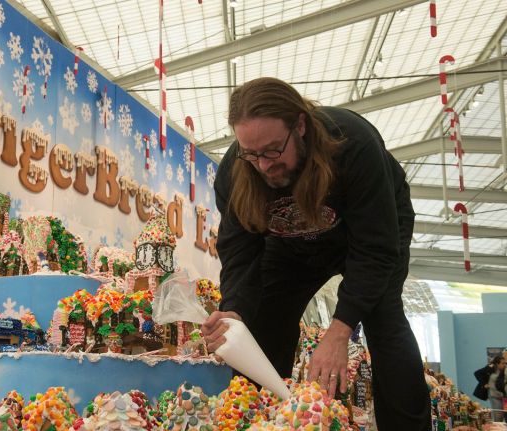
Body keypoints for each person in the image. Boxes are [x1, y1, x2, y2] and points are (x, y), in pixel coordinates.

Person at [200, 77, 431, 429]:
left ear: (301, 125)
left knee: (384, 320)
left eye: (274, 149)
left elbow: (375, 249)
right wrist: (235, 310)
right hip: (292, 241)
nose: (263, 165)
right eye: (252, 153)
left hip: (370, 230)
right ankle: (262, 420)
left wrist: (341, 329)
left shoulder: (353, 144)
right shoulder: (236, 171)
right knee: (263, 320)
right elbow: (240, 250)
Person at [474, 356, 506, 421]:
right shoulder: (490, 368)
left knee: (504, 415)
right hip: (494, 396)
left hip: (503, 395)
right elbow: (477, 373)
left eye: (505, 363)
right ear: (497, 364)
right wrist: (484, 384)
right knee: (498, 416)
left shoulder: (504, 370)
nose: (504, 365)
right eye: (502, 363)